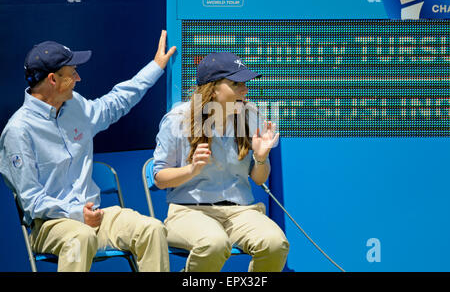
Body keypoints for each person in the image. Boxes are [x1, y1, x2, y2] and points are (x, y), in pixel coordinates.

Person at [0, 31, 176, 272]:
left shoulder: (76, 105)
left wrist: (156, 67)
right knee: (80, 238)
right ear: (53, 79)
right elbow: (31, 200)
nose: (78, 78)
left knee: (152, 229)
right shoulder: (18, 131)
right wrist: (75, 214)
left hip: (96, 216)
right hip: (51, 225)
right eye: (72, 74)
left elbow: (115, 103)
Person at [152, 52, 289, 272]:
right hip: (189, 212)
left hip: (241, 211)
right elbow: (159, 179)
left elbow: (258, 178)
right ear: (213, 89)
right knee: (214, 243)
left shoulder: (251, 116)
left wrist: (261, 158)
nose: (244, 90)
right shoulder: (177, 120)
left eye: (245, 83)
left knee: (275, 244)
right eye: (235, 84)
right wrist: (192, 169)